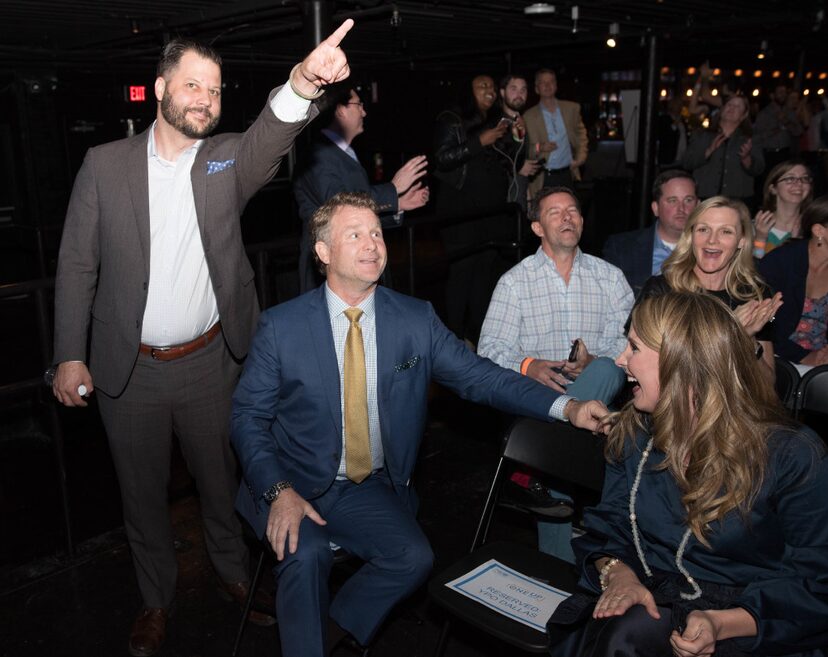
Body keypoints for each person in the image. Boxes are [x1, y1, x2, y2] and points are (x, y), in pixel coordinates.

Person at [50, 22, 354, 657]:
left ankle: (235, 576)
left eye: (214, 91)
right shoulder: (104, 165)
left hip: (212, 364)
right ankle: (156, 600)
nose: (204, 99)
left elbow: (271, 134)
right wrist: (69, 353)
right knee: (142, 495)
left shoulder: (224, 161)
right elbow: (77, 263)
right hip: (126, 372)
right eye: (191, 84)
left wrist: (303, 80)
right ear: (160, 88)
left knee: (222, 484)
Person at [229, 192, 607, 657]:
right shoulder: (281, 327)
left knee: (414, 558)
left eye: (376, 233)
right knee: (303, 555)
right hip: (289, 478)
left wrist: (565, 408)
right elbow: (247, 418)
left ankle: (327, 631)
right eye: (355, 235)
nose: (372, 244)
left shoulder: (414, 319)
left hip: (362, 485)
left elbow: (480, 377)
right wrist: (278, 491)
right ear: (323, 252)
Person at [548, 291, 828, 657]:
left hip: (753, 619)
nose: (620, 360)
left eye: (634, 348)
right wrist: (619, 576)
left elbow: (816, 582)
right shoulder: (635, 434)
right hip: (651, 598)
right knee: (624, 631)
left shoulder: (792, 456)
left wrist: (723, 622)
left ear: (683, 361)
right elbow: (610, 527)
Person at [478, 186, 632, 562]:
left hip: (601, 399)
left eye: (573, 211)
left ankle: (542, 479)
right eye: (555, 212)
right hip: (538, 401)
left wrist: (593, 358)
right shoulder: (515, 282)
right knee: (575, 413)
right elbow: (489, 352)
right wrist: (530, 365)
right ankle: (561, 575)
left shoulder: (610, 278)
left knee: (607, 368)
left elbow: (631, 345)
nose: (567, 217)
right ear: (537, 227)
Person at [293, 83, 429, 291]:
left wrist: (398, 204)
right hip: (332, 269)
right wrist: (393, 189)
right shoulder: (318, 156)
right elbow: (340, 205)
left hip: (358, 266)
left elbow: (358, 214)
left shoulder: (345, 152)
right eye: (359, 105)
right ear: (340, 110)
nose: (364, 111)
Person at [637, 196, 781, 381]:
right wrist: (729, 333)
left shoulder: (754, 296)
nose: (712, 240)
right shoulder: (661, 291)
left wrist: (747, 341)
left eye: (725, 232)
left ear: (742, 241)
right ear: (691, 236)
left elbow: (767, 386)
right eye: (703, 229)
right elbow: (653, 373)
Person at [432, 74, 513, 343]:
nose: (489, 90)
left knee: (485, 275)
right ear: (468, 91)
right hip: (461, 212)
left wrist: (517, 137)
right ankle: (452, 339)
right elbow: (443, 159)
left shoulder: (495, 122)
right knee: (462, 275)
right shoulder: (451, 118)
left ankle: (478, 336)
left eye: (492, 86)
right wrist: (480, 140)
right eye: (482, 86)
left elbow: (507, 162)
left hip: (491, 212)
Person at [758, 195, 828, 367]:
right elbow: (765, 324)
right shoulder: (780, 263)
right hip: (776, 357)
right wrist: (804, 356)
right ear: (819, 231)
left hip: (822, 359)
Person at [603, 170, 699, 295]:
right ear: (656, 208)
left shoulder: (711, 250)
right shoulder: (622, 248)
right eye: (672, 200)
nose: (681, 209)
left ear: (698, 206)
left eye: (688, 200)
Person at [682, 95, 764, 205]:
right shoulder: (702, 135)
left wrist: (746, 159)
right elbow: (686, 162)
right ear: (722, 109)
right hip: (706, 198)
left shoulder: (751, 138)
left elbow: (759, 169)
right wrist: (708, 151)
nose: (732, 108)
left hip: (737, 200)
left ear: (744, 115)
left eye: (737, 106)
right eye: (729, 104)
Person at [523, 68, 588, 195]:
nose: (547, 85)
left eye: (551, 81)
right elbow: (524, 150)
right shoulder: (528, 116)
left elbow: (581, 135)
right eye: (543, 82)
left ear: (556, 85)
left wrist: (581, 158)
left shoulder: (572, 109)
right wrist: (539, 147)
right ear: (537, 88)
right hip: (543, 177)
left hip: (567, 173)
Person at [496, 73, 542, 211]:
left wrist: (527, 196)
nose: (519, 94)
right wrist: (518, 166)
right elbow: (491, 160)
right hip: (501, 197)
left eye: (523, 90)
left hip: (519, 193)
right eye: (514, 89)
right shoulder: (496, 123)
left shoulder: (521, 120)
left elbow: (523, 155)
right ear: (502, 93)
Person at [752, 159, 813, 258]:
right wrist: (760, 239)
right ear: (773, 189)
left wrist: (795, 243)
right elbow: (755, 267)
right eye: (790, 179)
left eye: (805, 178)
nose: (799, 183)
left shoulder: (813, 229)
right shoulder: (756, 227)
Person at [754, 84, 804, 169]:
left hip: (786, 154)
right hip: (769, 154)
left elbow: (799, 131)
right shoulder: (764, 113)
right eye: (780, 92)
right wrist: (773, 131)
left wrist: (785, 121)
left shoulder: (789, 112)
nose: (783, 95)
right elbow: (756, 137)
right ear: (772, 95)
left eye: (784, 92)